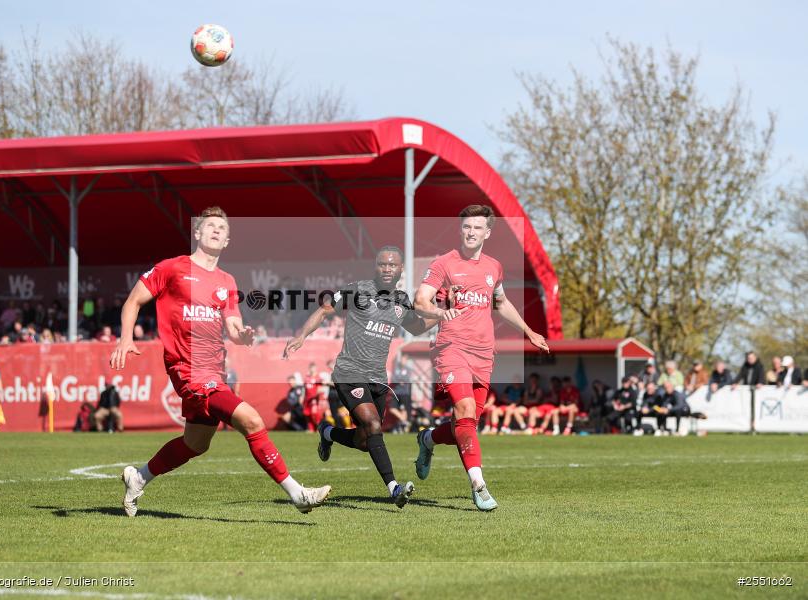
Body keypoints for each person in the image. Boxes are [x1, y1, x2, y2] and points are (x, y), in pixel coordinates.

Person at [112, 206, 330, 516]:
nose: (216, 230)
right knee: (252, 420)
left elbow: (233, 327)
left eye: (222, 228)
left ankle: (138, 477)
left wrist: (243, 335)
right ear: (197, 232)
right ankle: (299, 494)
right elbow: (134, 300)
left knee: (196, 444)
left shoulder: (226, 281)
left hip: (214, 371)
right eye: (210, 225)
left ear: (227, 241)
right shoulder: (173, 268)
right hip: (188, 369)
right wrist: (125, 338)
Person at [413, 205, 550, 511]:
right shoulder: (444, 263)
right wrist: (439, 312)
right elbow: (420, 300)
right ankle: (479, 485)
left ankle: (428, 440)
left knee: (466, 424)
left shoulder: (494, 267)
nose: (471, 232)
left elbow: (501, 302)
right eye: (466, 227)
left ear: (487, 233)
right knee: (463, 410)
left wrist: (529, 331)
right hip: (451, 348)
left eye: (477, 227)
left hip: (484, 353)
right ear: (460, 230)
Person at [284, 246, 437, 507]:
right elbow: (325, 310)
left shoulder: (401, 301)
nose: (387, 269)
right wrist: (301, 336)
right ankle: (394, 488)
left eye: (392, 265)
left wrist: (444, 315)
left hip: (378, 379)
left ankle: (328, 433)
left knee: (365, 440)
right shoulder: (357, 290)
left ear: (401, 270)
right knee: (374, 425)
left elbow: (417, 327)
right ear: (375, 266)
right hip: (349, 372)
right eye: (382, 264)